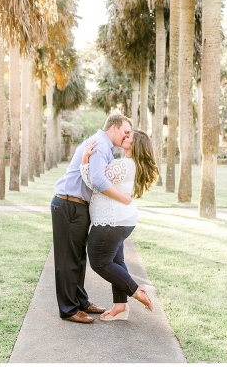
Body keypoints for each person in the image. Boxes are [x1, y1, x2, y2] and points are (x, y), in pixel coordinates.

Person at [51, 114, 134, 324]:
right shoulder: (99, 144)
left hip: (78, 206)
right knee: (67, 260)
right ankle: (69, 309)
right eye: (125, 132)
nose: (126, 136)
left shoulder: (106, 147)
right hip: (69, 204)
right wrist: (123, 198)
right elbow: (97, 179)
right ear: (113, 128)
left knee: (78, 259)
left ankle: (81, 302)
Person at [80, 129, 160, 321]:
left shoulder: (122, 165)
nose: (124, 137)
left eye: (128, 137)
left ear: (135, 144)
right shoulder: (132, 165)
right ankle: (120, 306)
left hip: (112, 221)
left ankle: (136, 290)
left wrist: (84, 161)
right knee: (116, 262)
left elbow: (95, 182)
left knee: (99, 262)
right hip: (122, 221)